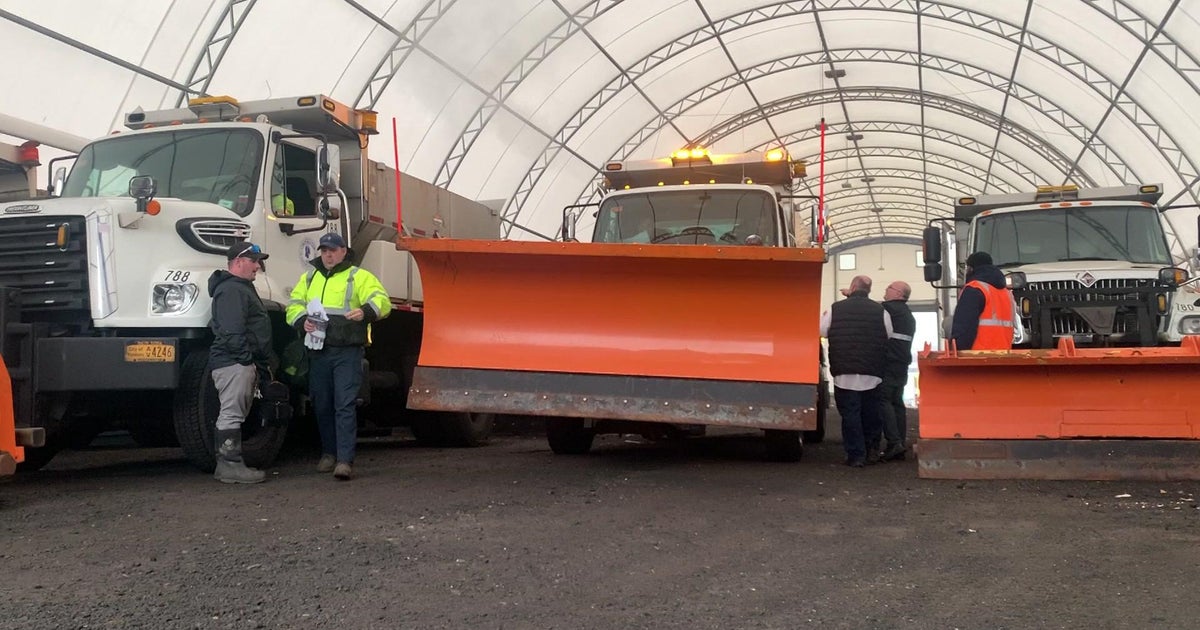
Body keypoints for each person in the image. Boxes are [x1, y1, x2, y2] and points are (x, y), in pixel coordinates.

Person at [285, 233, 392, 480]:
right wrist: (301, 321)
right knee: (322, 404)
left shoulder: (358, 276)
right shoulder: (309, 276)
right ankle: (329, 454)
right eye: (324, 251)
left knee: (344, 404)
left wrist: (366, 311)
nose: (328, 255)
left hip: (347, 350)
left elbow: (382, 300)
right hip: (318, 350)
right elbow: (293, 304)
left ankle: (344, 460)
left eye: (333, 250)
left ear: (344, 251)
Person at [207, 241, 273, 484]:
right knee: (231, 413)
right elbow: (232, 330)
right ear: (238, 262)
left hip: (234, 361)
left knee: (233, 412)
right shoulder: (233, 290)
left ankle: (230, 464)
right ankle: (229, 466)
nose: (258, 266)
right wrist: (246, 361)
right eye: (254, 261)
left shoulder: (237, 288)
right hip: (234, 362)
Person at [819, 275, 892, 467]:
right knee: (871, 414)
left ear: (852, 287)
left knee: (850, 414)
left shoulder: (835, 308)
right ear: (869, 290)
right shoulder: (880, 311)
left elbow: (822, 330)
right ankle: (871, 450)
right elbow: (888, 334)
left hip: (845, 372)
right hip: (872, 372)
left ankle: (855, 455)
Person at [879, 281, 915, 461]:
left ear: (898, 293)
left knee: (883, 400)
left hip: (889, 362)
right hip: (901, 363)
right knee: (897, 402)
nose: (885, 290)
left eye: (889, 288)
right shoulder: (907, 314)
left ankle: (894, 442)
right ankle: (899, 442)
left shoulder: (889, 309)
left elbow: (869, 311)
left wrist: (853, 297)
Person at [951, 252, 1015, 350]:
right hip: (1003, 357)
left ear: (971, 269)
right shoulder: (1007, 293)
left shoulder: (974, 289)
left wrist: (957, 350)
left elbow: (964, 327)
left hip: (978, 358)